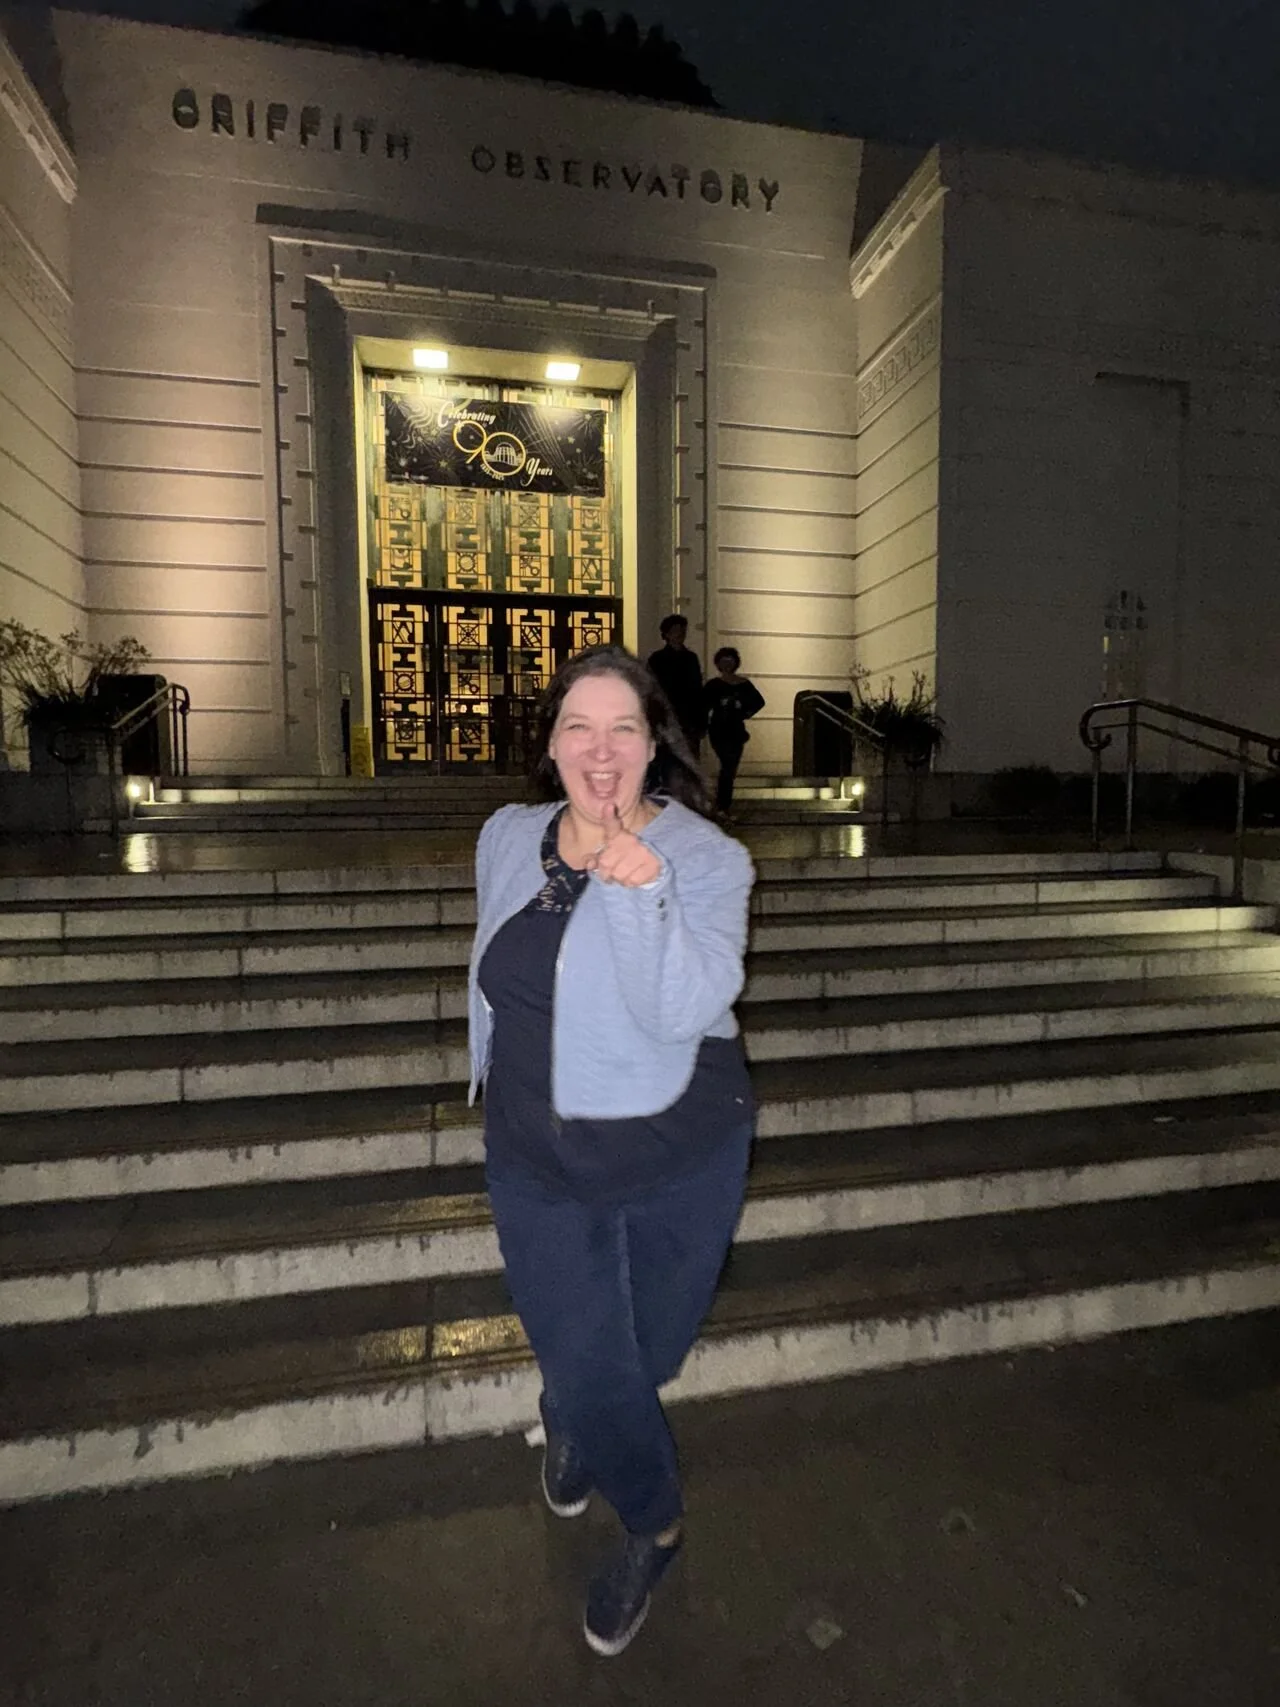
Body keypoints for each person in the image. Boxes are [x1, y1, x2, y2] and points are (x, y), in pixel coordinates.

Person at [468, 643, 755, 1657]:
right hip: (534, 1156)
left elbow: (684, 1006)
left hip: (679, 1148)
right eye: (576, 727)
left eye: (621, 728)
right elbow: (498, 972)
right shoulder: (506, 835)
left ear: (651, 744)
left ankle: (579, 1409)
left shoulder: (706, 859)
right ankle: (654, 1524)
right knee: (594, 1364)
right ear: (549, 745)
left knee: (645, 1360)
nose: (599, 750)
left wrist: (638, 897)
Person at [703, 647, 766, 817]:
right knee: (727, 765)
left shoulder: (743, 684)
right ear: (718, 664)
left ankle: (723, 805)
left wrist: (744, 712)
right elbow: (702, 705)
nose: (727, 664)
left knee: (730, 768)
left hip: (736, 730)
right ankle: (722, 805)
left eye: (730, 661)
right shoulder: (713, 685)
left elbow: (758, 702)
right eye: (723, 661)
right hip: (718, 729)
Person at [646, 613, 705, 756]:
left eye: (682, 631)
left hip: (689, 717)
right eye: (675, 631)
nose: (680, 634)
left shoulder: (691, 658)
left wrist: (701, 720)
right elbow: (651, 688)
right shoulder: (657, 659)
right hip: (667, 715)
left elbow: (697, 689)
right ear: (666, 634)